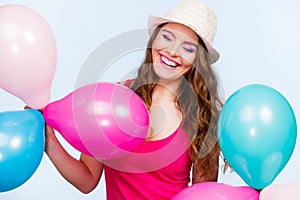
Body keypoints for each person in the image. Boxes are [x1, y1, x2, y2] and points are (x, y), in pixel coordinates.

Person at [45, 0, 225, 199]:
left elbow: (204, 196)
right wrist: (51, 143)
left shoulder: (203, 120)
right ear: (154, 39)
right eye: (167, 37)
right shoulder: (115, 98)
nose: (172, 51)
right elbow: (87, 180)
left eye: (188, 48)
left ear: (198, 61)